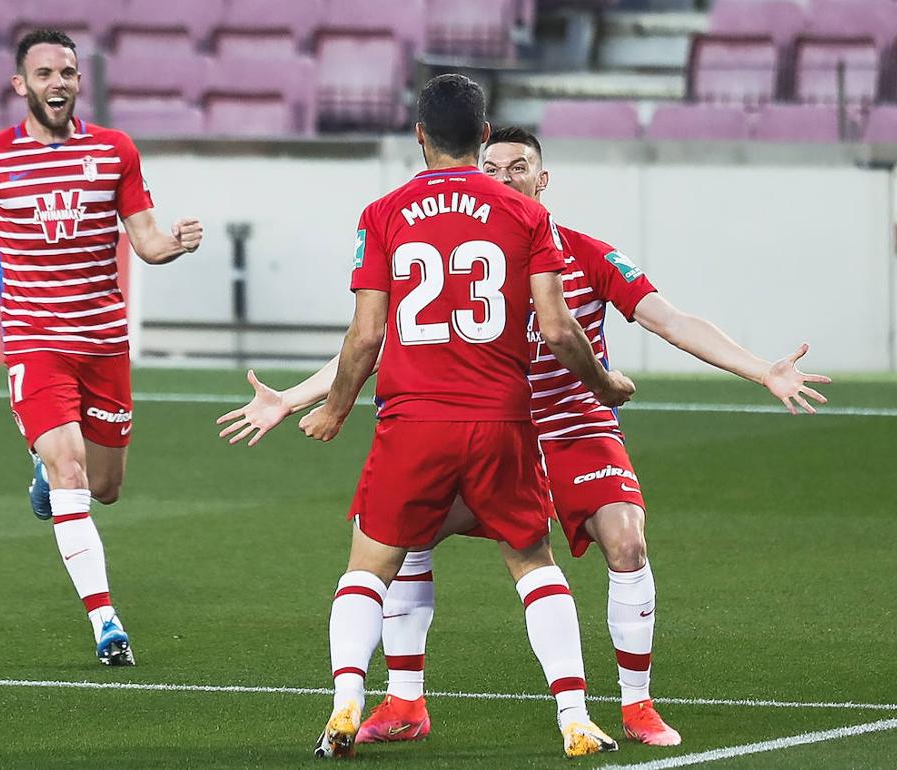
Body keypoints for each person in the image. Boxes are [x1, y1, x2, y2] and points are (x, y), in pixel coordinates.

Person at [218, 126, 830, 747]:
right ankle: (406, 702)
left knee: (626, 542)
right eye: (493, 167)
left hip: (571, 426)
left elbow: (669, 320)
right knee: (408, 539)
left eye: (519, 167)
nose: (505, 177)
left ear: (543, 179)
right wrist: (292, 397)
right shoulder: (467, 248)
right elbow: (391, 342)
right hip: (502, 429)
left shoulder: (586, 253)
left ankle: (637, 705)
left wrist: (761, 369)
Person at [287, 74, 633, 760]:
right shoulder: (524, 214)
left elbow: (366, 334)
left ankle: (347, 700)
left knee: (369, 566)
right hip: (501, 419)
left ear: (419, 135)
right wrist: (603, 382)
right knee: (532, 562)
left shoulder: (382, 213)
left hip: (412, 419)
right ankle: (573, 716)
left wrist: (334, 409)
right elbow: (558, 328)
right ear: (483, 135)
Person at [0, 29, 203, 666]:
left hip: (104, 342)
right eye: (44, 73)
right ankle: (106, 622)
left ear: (79, 81)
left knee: (105, 487)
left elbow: (144, 239)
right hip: (35, 341)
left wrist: (175, 243)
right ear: (20, 85)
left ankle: (44, 470)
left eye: (67, 72)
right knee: (71, 470)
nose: (58, 83)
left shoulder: (114, 150)